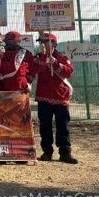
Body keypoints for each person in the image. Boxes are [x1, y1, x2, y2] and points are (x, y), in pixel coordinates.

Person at [33, 33, 77, 164]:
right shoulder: (38, 58)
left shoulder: (62, 57)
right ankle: (47, 152)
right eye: (41, 42)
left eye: (46, 41)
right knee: (45, 126)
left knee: (63, 126)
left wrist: (56, 64)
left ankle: (65, 152)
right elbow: (34, 70)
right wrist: (44, 60)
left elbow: (69, 72)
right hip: (44, 96)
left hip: (60, 97)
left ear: (54, 44)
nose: (43, 44)